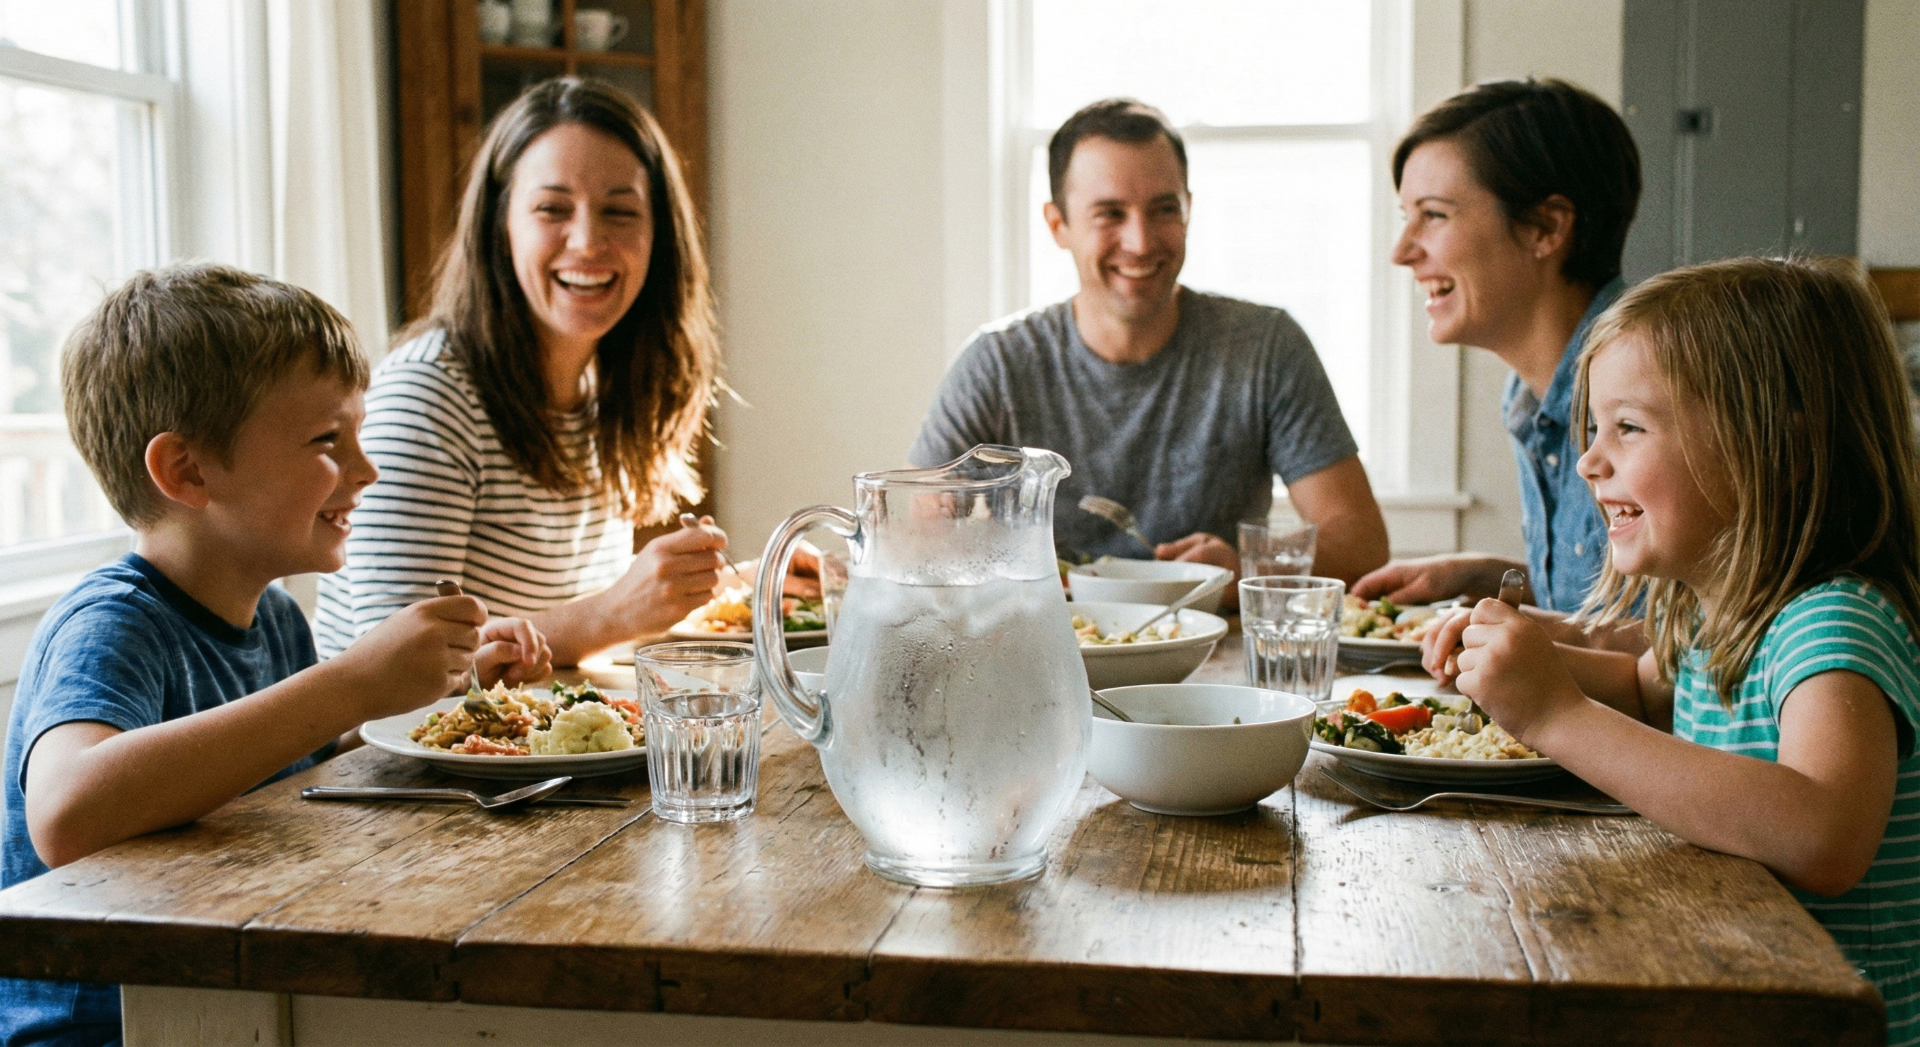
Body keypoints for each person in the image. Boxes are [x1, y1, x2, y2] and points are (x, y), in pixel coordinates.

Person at [0, 264, 550, 1047]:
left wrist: (457, 702)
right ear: (186, 471)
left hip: (246, 992)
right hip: (112, 1028)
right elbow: (66, 811)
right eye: (329, 440)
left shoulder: (278, 618)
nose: (367, 469)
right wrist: (348, 682)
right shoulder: (113, 623)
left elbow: (300, 759)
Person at [1447, 257, 1920, 1045]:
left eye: (1628, 427)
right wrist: (1515, 665)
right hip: (1739, 984)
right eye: (1593, 429)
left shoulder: (1831, 622)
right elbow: (1645, 689)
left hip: (1839, 1021)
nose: (1593, 460)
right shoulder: (1724, 606)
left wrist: (1556, 713)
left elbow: (1826, 832)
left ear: (1775, 439)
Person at [315, 78, 738, 667]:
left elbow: (574, 645)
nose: (589, 241)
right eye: (552, 209)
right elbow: (397, 667)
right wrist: (615, 611)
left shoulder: (602, 391)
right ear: (500, 225)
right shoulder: (428, 394)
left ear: (658, 237)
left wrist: (708, 594)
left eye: (620, 211)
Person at [909, 98, 1389, 593]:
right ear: (1059, 226)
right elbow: (914, 535)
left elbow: (1362, 546)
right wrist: (977, 553)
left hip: (1211, 661)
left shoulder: (1265, 347)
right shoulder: (998, 362)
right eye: (1109, 214)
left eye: (1164, 209)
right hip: (1044, 653)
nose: (1140, 242)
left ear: (1189, 210)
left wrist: (1246, 567)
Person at [1354, 79, 1641, 614]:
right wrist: (1488, 575)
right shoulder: (1532, 392)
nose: (1401, 251)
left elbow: (1685, 653)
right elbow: (1616, 608)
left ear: (1545, 227)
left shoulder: (1647, 390)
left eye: (1434, 215)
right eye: (1405, 217)